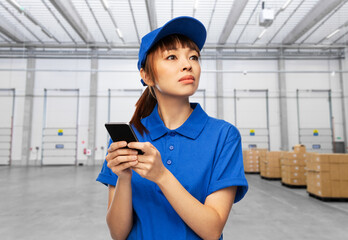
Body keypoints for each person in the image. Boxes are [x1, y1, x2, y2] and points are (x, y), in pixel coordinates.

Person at [96, 16, 248, 240]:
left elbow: (212, 230)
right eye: (171, 57)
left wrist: (161, 176)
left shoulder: (223, 136)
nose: (187, 64)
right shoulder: (129, 138)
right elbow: (118, 234)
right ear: (146, 75)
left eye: (193, 57)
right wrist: (124, 178)